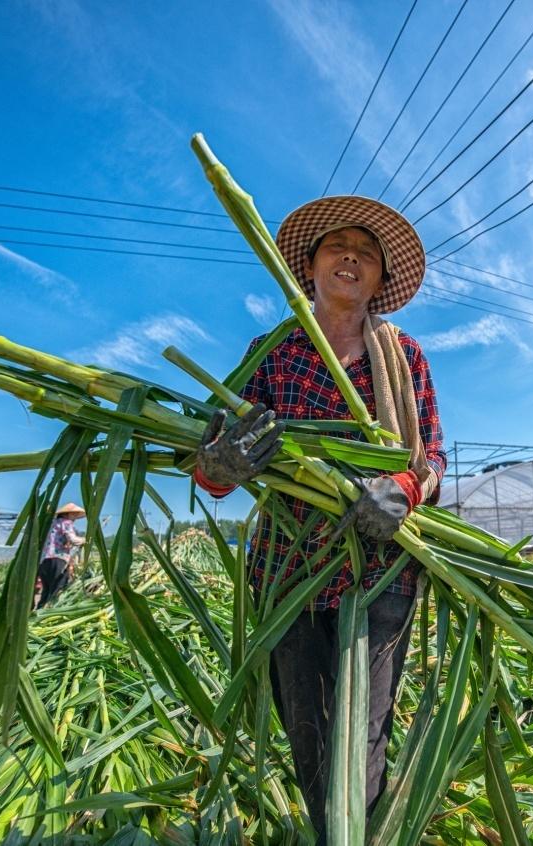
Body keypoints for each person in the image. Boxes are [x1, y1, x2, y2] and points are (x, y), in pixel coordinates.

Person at [194, 195, 445, 841]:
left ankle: (357, 831)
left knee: (361, 735)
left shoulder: (404, 356)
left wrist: (401, 491)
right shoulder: (272, 354)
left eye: (365, 253)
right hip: (289, 566)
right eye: (338, 247)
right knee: (308, 731)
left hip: (378, 570)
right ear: (309, 267)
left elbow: (430, 458)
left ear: (379, 280)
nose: (351, 258)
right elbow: (213, 463)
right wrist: (219, 464)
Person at [37, 502, 87, 608]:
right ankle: (50, 614)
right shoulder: (66, 522)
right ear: (67, 514)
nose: (75, 518)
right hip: (57, 559)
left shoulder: (52, 524)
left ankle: (38, 613)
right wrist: (85, 540)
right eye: (74, 514)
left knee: (46, 591)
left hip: (44, 561)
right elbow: (73, 540)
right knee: (57, 590)